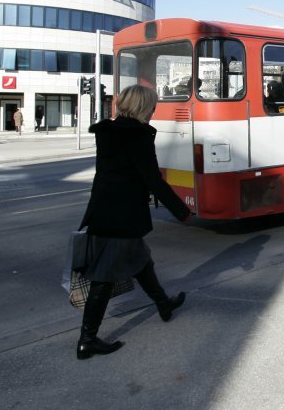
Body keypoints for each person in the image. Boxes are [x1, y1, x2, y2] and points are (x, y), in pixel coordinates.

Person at [76, 84, 192, 360]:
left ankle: (164, 304)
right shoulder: (137, 136)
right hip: (122, 215)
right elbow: (152, 179)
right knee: (103, 279)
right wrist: (182, 210)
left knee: (141, 261)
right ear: (143, 107)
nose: (153, 111)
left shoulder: (108, 133)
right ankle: (87, 340)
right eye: (151, 106)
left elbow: (104, 176)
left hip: (105, 210)